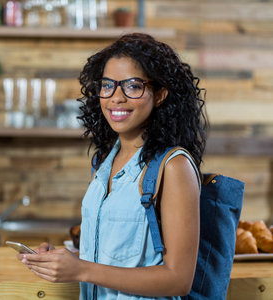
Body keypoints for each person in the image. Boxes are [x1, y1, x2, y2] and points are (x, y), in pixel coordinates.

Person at [17, 33, 208, 299]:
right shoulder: (104, 162)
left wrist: (81, 269)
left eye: (132, 86)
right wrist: (62, 261)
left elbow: (178, 279)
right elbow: (113, 256)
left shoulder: (173, 167)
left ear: (161, 94)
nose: (116, 98)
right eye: (108, 85)